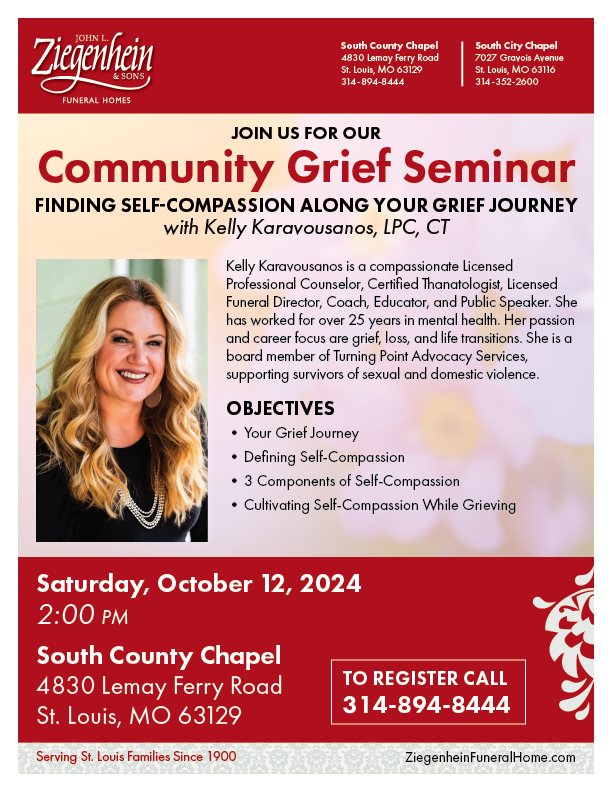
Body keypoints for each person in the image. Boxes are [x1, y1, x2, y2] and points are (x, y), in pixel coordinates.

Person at [36, 276, 208, 542]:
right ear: (89, 347)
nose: (139, 358)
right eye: (120, 339)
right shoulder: (45, 449)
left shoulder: (185, 422)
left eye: (154, 343)